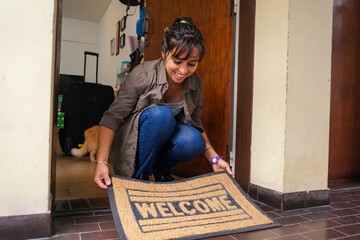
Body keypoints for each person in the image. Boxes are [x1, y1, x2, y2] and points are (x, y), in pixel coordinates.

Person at [94, 17, 233, 190]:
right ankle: (139, 179)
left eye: (191, 64)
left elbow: (196, 124)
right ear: (163, 52)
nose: (183, 71)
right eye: (177, 61)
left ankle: (160, 170)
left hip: (161, 144)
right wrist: (102, 162)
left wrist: (214, 158)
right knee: (161, 115)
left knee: (194, 140)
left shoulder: (196, 84)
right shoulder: (142, 74)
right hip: (133, 144)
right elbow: (112, 118)